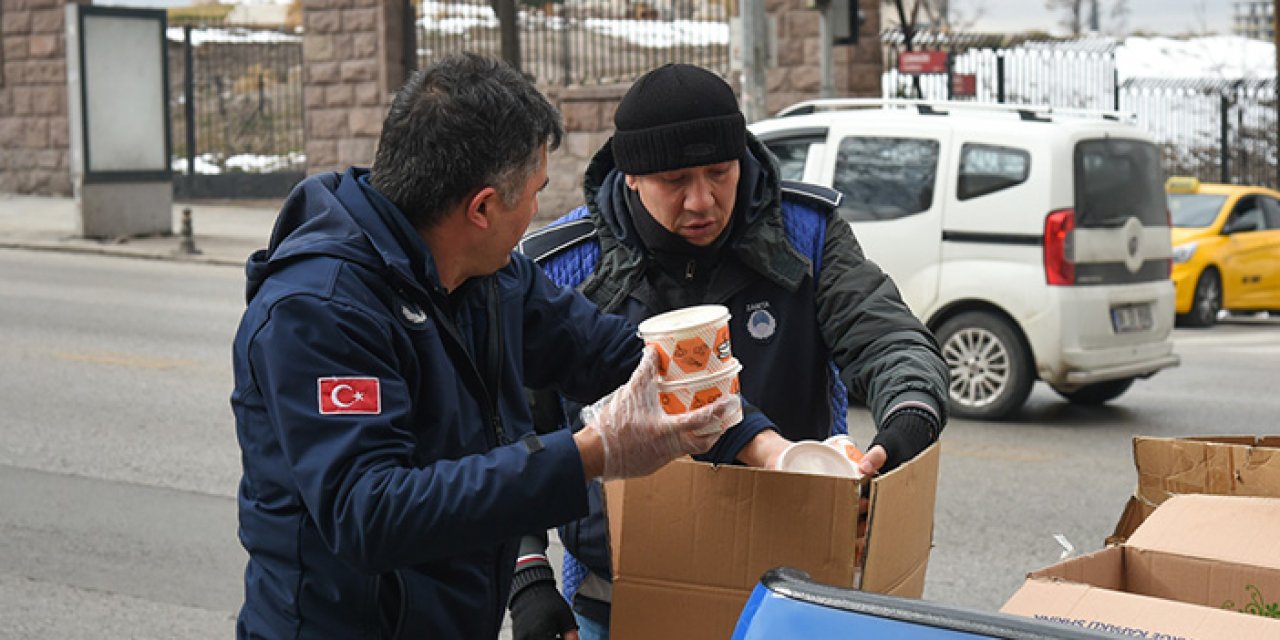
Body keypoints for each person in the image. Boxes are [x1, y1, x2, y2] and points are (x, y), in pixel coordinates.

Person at [229, 53, 739, 639]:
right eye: (534, 194)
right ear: (482, 208)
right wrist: (594, 452)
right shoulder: (320, 310)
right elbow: (370, 512)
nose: (536, 213)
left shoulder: (486, 277)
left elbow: (610, 353)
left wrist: (757, 436)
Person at [511, 63, 950, 639]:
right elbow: (508, 433)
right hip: (619, 590)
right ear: (632, 176)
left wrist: (902, 432)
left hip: (793, 586)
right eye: (676, 181)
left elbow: (891, 339)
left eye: (721, 172)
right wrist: (529, 577)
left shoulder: (808, 233)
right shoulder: (560, 266)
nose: (702, 201)